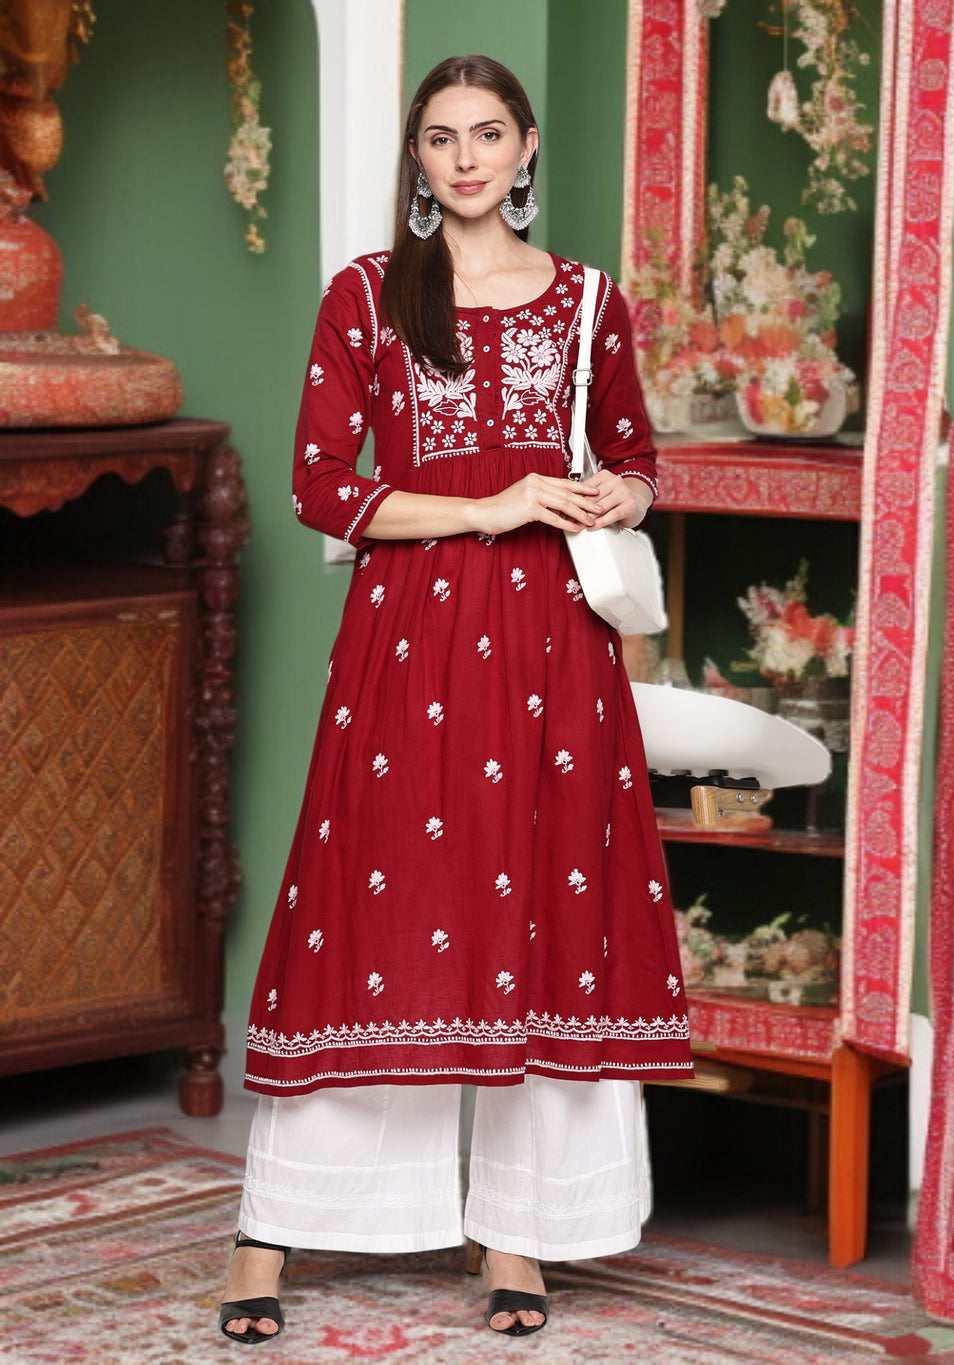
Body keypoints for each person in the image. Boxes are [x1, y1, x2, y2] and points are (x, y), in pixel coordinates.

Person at [219, 53, 692, 1344]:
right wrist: (485, 506)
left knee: (543, 908)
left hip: (556, 644)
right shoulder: (369, 296)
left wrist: (616, 493)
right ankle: (272, 1233)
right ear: (418, 159)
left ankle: (521, 1233)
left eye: (490, 134)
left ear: (528, 150)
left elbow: (640, 450)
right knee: (368, 913)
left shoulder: (592, 302)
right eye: (443, 137)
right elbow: (324, 484)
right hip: (411, 640)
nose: (468, 156)